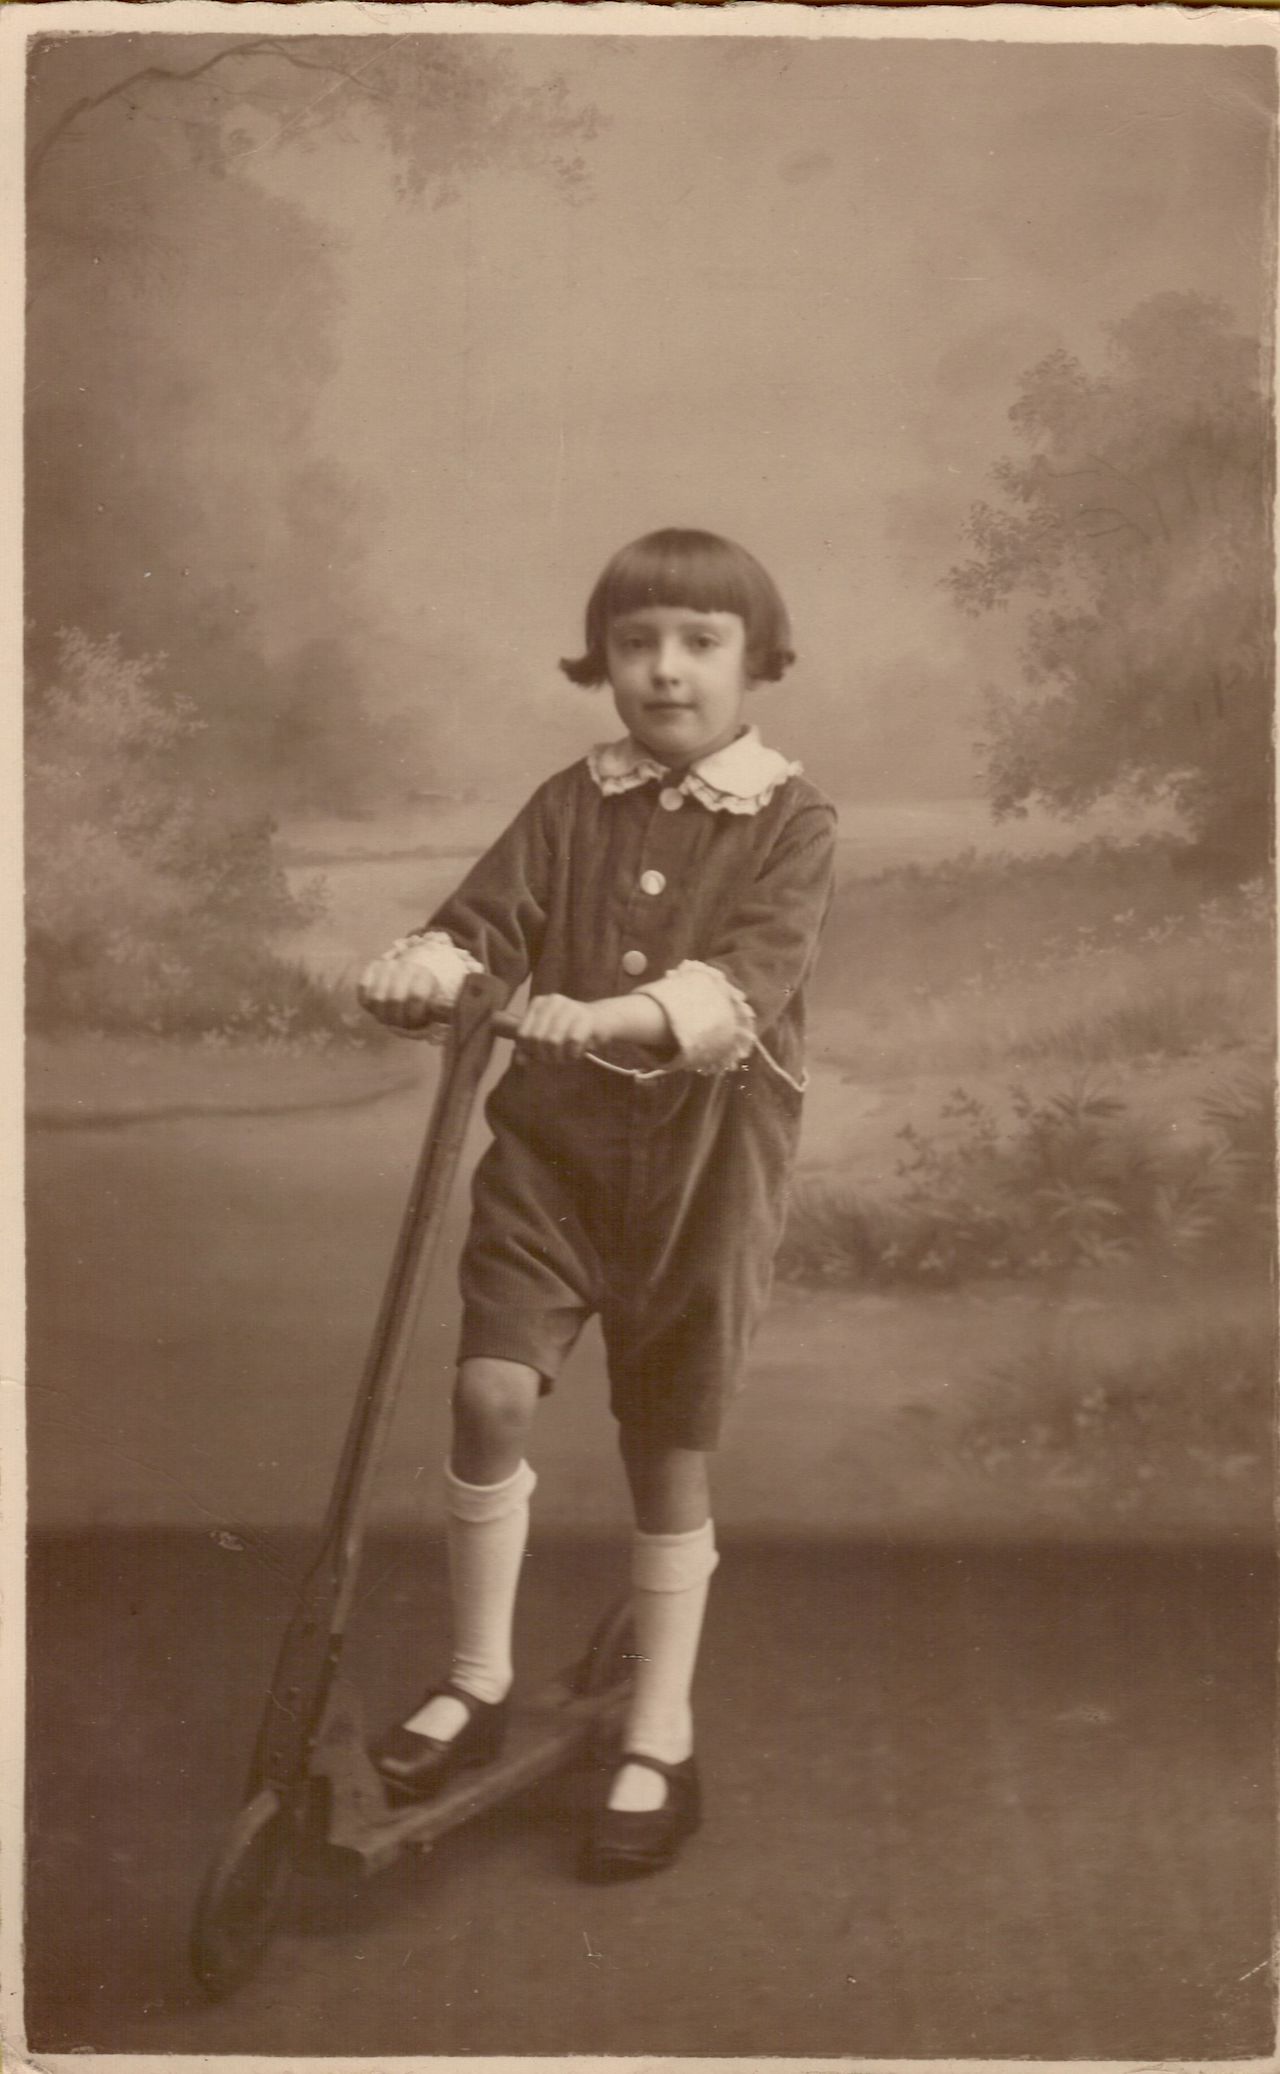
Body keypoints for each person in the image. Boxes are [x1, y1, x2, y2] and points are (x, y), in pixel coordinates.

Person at [357, 527, 837, 1880]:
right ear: (603, 660)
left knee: (666, 1442)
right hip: (554, 1162)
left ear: (756, 661)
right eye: (637, 643)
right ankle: (476, 1672)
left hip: (701, 1178)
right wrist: (424, 965)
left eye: (699, 642)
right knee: (491, 1392)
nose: (665, 671)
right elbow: (482, 921)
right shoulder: (572, 800)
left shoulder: (793, 818)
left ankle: (661, 1729)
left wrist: (619, 1008)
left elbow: (744, 981)